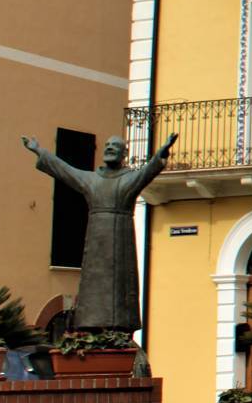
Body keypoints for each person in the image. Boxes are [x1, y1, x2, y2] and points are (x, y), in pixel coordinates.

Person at [22, 131, 177, 333]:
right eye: (107, 145)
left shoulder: (130, 178)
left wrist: (161, 154)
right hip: (95, 244)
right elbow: (65, 170)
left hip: (120, 241)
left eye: (115, 145)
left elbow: (148, 171)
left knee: (120, 290)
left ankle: (119, 329)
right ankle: (91, 326)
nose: (109, 148)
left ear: (124, 154)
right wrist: (39, 151)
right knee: (93, 288)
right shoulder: (91, 179)